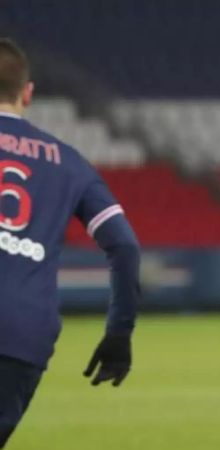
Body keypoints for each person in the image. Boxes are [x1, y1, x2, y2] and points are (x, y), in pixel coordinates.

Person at [0, 38, 141, 448]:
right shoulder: (68, 162)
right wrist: (119, 332)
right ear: (27, 94)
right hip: (23, 337)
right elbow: (125, 247)